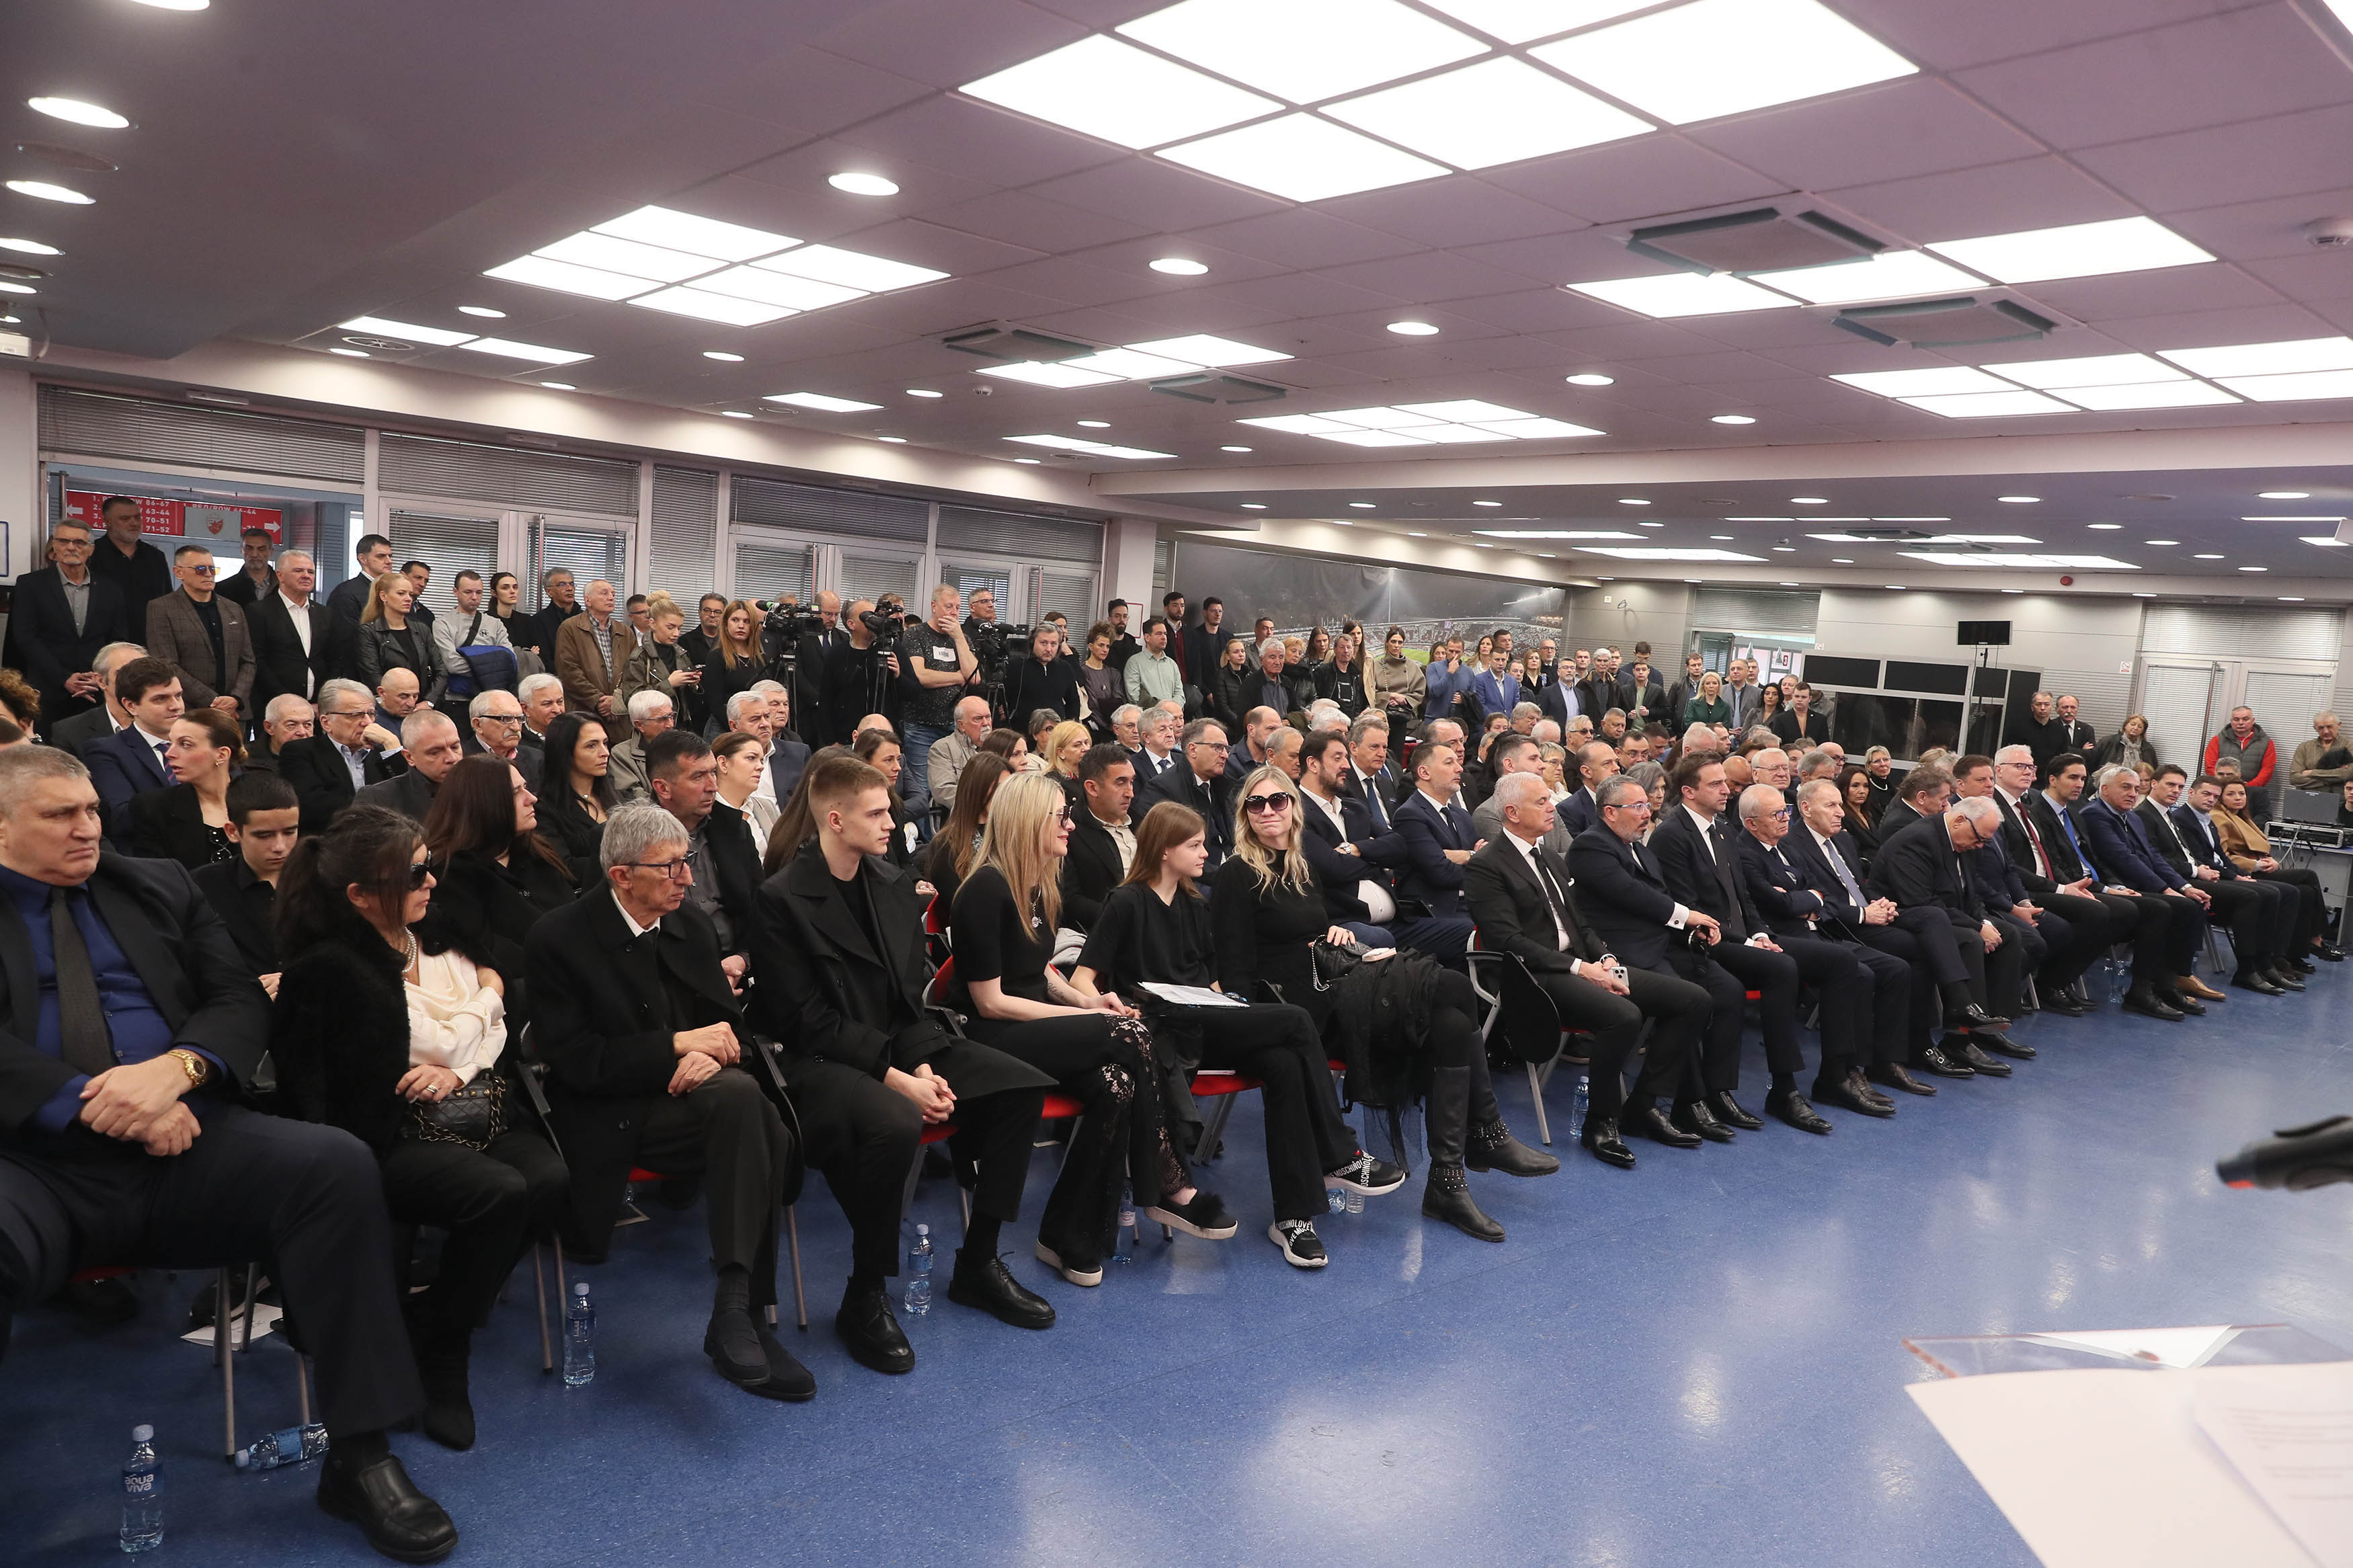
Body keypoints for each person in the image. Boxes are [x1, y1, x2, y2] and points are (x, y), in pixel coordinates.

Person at [0, 747, 458, 1559]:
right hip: (35, 1162)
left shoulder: (157, 884)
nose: (88, 827)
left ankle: (359, 1454)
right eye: (60, 814)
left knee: (334, 1165)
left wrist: (178, 1071)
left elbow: (236, 996)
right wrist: (102, 1103)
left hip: (189, 1134)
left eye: (93, 809)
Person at [270, 803, 565, 1452]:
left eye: (428, 868)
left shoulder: (435, 931)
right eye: (414, 875)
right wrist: (487, 997)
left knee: (548, 1178)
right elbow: (439, 1037)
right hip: (379, 1135)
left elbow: (483, 1040)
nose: (431, 882)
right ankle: (446, 1347)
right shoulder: (331, 966)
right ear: (360, 895)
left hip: (472, 1106)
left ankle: (435, 1318)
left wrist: (461, 1066)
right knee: (498, 1191)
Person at [751, 755, 1057, 1360]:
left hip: (898, 1046)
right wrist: (898, 1080)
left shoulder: (892, 885)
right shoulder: (780, 899)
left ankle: (978, 1261)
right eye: (876, 813)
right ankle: (865, 1293)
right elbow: (806, 1020)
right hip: (816, 1063)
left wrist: (920, 1067)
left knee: (1019, 1087)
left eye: (889, 809)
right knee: (895, 1121)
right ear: (835, 820)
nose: (892, 822)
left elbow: (908, 998)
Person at [525, 802, 808, 1401]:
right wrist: (678, 1045)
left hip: (701, 1104)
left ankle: (736, 1311)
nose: (687, 877)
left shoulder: (690, 925)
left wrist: (717, 1054)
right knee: (765, 1125)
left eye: (688, 861)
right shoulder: (560, 938)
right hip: (611, 1113)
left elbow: (731, 1031)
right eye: (671, 866)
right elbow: (579, 1063)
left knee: (747, 1103)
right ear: (621, 875)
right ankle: (746, 1315)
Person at [1213, 763, 1551, 1239]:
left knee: (1453, 1020)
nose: (1268, 810)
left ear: (1293, 808)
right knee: (1450, 991)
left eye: (1278, 800)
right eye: (1256, 803)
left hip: (1329, 985)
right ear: (1244, 814)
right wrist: (1262, 1020)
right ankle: (1486, 1135)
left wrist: (1335, 935)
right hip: (1295, 1008)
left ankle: (1451, 1182)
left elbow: (1306, 933)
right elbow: (1236, 968)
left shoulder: (1300, 865)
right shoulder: (1237, 873)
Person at [1074, 800, 1404, 1266]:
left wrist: (1228, 1003)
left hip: (1204, 1019)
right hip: (1163, 1028)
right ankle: (1337, 1152)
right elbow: (1082, 979)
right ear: (1164, 850)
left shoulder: (1194, 904)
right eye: (1195, 845)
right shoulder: (1126, 901)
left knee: (1284, 1062)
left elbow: (1211, 981)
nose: (1205, 853)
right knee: (1295, 1019)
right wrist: (1112, 1005)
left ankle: (1293, 1218)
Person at [947, 774, 1233, 1282]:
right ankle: (1170, 1182)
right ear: (1029, 820)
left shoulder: (1037, 884)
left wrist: (1086, 999)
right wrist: (1086, 1016)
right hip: (991, 1037)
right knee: (1132, 1033)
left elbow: (1038, 970)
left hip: (1031, 1023)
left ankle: (1068, 1234)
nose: (1071, 825)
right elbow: (991, 1003)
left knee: (1116, 1085)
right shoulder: (984, 888)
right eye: (1061, 816)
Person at [1468, 772, 1711, 1169]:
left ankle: (1643, 1105)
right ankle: (1600, 1122)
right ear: (1512, 812)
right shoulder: (1487, 865)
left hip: (1580, 964)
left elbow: (1580, 923)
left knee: (1692, 999)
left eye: (1549, 799)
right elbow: (1509, 941)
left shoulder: (1548, 856)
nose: (1552, 807)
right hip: (1533, 975)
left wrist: (1606, 959)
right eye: (1541, 802)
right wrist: (1583, 968)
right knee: (1623, 1015)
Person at [1647, 754, 1852, 1134]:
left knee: (1838, 961)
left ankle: (1830, 1076)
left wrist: (1759, 934)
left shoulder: (1723, 830)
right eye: (1715, 784)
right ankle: (1779, 1088)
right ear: (1689, 791)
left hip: (1742, 936)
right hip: (1703, 939)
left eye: (1725, 783)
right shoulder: (1671, 836)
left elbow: (1743, 897)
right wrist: (1746, 940)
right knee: (1780, 968)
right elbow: (1688, 907)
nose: (1726, 790)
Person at [1867, 795, 2032, 1071]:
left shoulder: (1968, 840)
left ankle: (1987, 1027)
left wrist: (1983, 921)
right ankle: (1961, 1035)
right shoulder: (1917, 841)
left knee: (2009, 935)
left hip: (1943, 914)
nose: (1980, 845)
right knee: (1970, 940)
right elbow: (1920, 901)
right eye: (1979, 839)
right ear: (1959, 821)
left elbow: (1971, 892)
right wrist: (1977, 927)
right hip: (1903, 914)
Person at [417, 754, 575, 1027]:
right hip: (526, 1010)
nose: (532, 799)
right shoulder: (449, 877)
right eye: (516, 793)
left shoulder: (535, 852)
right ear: (485, 804)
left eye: (526, 788)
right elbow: (492, 958)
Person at [2139, 766, 2300, 995]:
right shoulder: (2149, 815)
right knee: (2251, 896)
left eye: (2180, 786)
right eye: (2171, 785)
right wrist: (2197, 871)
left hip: (2194, 873)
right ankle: (2246, 968)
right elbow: (2156, 857)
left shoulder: (2169, 814)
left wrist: (2225, 872)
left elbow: (2200, 854)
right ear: (2154, 784)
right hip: (2179, 878)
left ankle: (2266, 962)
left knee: (2273, 892)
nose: (2176, 790)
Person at [2076, 763, 2216, 1020]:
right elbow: (2122, 859)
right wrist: (2166, 890)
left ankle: (2168, 983)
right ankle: (2141, 991)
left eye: (2135, 788)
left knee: (2190, 903)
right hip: (2115, 885)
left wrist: (2184, 886)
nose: (2133, 793)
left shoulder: (2132, 817)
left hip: (2137, 884)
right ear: (2105, 790)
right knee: (2165, 908)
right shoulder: (2095, 815)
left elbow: (2153, 857)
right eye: (2125, 788)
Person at [11, 518, 129, 737]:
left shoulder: (111, 589)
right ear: (54, 546)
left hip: (95, 692)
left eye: (79, 543)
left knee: (94, 751)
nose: (71, 547)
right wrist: (64, 678)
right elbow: (26, 637)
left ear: (91, 549)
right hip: (47, 691)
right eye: (63, 541)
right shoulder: (30, 585)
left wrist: (98, 676)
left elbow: (118, 640)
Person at [192, 770, 300, 988]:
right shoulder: (204, 887)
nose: (279, 847)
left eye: (290, 832)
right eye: (264, 836)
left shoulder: (324, 878)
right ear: (232, 832)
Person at [2212, 777, 2339, 963]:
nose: (2238, 798)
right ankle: (2316, 937)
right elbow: (2222, 857)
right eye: (2231, 794)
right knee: (2308, 875)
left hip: (2259, 867)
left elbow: (2259, 848)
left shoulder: (2242, 817)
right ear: (2220, 798)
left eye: (2241, 793)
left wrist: (2271, 861)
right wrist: (2256, 864)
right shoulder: (2219, 817)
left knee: (2305, 891)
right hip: (2244, 872)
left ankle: (2293, 955)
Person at [1387, 738, 1480, 964]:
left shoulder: (1461, 815)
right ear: (1425, 772)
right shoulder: (1410, 815)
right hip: (1436, 911)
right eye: (1449, 763)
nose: (1459, 768)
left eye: (1457, 762)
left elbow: (1486, 862)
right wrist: (1473, 858)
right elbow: (1441, 873)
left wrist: (1468, 858)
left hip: (1473, 904)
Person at [278, 677, 405, 831]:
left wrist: (392, 745)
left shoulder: (381, 753)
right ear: (326, 723)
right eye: (355, 715)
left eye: (371, 714)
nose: (367, 722)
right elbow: (315, 807)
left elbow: (409, 798)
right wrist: (381, 810)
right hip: (330, 839)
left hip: (384, 839)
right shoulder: (300, 752)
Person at [146, 544, 255, 720]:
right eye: (200, 569)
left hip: (234, 711)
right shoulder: (161, 608)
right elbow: (166, 664)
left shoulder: (233, 608)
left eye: (212, 569)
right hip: (189, 710)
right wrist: (213, 701)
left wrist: (236, 698)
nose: (208, 574)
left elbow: (248, 661)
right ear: (179, 573)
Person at [83, 657, 188, 837]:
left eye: (178, 696)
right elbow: (124, 817)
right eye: (160, 699)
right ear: (131, 706)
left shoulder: (207, 741)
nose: (175, 706)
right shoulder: (107, 752)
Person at [128, 708, 245, 870]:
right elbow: (155, 877)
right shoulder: (154, 808)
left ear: (221, 755)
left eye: (185, 744)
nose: (169, 753)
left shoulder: (261, 800)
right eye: (171, 743)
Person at [894, 585, 980, 803]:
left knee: (957, 787)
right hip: (922, 726)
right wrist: (959, 677)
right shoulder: (915, 634)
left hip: (955, 727)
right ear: (934, 606)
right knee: (922, 789)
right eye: (948, 607)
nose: (954, 612)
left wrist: (959, 639)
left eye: (957, 608)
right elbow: (921, 676)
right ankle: (922, 827)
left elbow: (975, 677)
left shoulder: (962, 639)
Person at [1139, 717, 1235, 872]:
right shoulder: (1162, 789)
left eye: (1226, 749)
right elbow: (1166, 850)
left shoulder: (1224, 785)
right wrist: (1221, 875)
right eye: (1218, 747)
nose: (1225, 755)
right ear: (1193, 750)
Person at [922, 752, 1012, 913]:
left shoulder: (1013, 834)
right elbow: (959, 906)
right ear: (977, 790)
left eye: (1008, 789)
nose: (1005, 796)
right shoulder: (947, 844)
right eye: (999, 788)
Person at [536, 712, 615, 889]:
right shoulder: (545, 811)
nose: (605, 753)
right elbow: (565, 867)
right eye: (592, 746)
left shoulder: (614, 796)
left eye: (605, 743)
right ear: (565, 752)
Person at [356, 570, 448, 710]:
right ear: (383, 596)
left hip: (422, 707)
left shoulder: (422, 630)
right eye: (401, 593)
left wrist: (429, 702)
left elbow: (441, 671)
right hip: (388, 708)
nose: (408, 599)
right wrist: (398, 704)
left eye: (410, 594)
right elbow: (372, 676)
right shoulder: (369, 632)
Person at [355, 710, 465, 825]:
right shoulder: (378, 799)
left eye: (455, 747)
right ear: (409, 757)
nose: (452, 758)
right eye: (435, 752)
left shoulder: (476, 786)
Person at [553, 579, 635, 727]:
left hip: (620, 716)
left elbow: (634, 671)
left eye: (613, 594)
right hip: (583, 713)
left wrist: (616, 700)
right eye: (604, 593)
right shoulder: (570, 628)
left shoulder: (625, 632)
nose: (611, 597)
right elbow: (569, 671)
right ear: (588, 600)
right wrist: (598, 700)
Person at [712, 731, 779, 860]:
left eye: (761, 760)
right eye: (751, 758)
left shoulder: (766, 807)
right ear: (723, 763)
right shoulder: (705, 813)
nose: (761, 767)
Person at [2204, 706, 2278, 819]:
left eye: (2245, 719)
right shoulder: (2218, 740)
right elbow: (2210, 767)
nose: (2241, 723)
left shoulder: (2266, 743)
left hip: (2250, 794)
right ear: (2231, 721)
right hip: (2219, 793)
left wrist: (2244, 788)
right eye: (2236, 719)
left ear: (2253, 721)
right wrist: (2223, 786)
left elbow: (2267, 770)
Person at [604, 690, 674, 805]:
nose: (670, 724)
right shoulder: (622, 755)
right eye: (662, 719)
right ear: (640, 725)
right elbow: (635, 798)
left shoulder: (684, 746)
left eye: (671, 716)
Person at [927, 695, 992, 812]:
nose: (986, 723)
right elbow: (944, 791)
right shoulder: (943, 748)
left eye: (988, 717)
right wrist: (984, 804)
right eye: (978, 719)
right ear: (961, 725)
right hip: (966, 814)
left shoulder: (1001, 744)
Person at [2288, 712, 2353, 794]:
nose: (2326, 731)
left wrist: (2311, 773)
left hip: (2340, 798)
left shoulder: (2350, 746)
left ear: (2339, 725)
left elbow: (2349, 774)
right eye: (2321, 728)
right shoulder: (2305, 747)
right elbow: (2294, 778)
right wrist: (2334, 779)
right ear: (2315, 728)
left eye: (2330, 727)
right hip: (2308, 796)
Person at [526, 567, 581, 657]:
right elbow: (544, 657)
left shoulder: (585, 618)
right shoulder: (539, 621)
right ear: (549, 592)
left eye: (572, 584)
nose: (569, 588)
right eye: (562, 584)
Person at [1833, 763, 1882, 863]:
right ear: (1843, 788)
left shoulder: (1869, 814)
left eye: (1866, 786)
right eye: (1855, 786)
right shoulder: (1841, 817)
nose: (1862, 791)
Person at [2091, 713, 2157, 774]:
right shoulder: (2109, 742)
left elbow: (2152, 771)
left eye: (2140, 727)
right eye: (2133, 724)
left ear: (2143, 731)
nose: (2135, 728)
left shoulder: (2147, 748)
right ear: (2125, 726)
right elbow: (2093, 761)